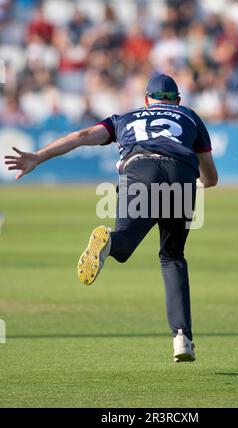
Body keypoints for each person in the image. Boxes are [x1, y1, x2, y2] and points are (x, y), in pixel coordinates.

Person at [4, 74, 218, 362]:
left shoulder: (125, 118)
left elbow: (81, 137)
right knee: (172, 256)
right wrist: (195, 184)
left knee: (124, 244)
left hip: (140, 168)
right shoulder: (189, 117)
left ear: (146, 100)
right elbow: (211, 177)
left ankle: (109, 242)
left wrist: (38, 156)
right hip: (180, 173)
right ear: (177, 100)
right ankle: (182, 338)